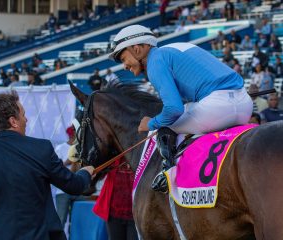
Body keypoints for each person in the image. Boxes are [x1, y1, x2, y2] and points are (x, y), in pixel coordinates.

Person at [108, 25, 253, 192]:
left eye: (123, 58)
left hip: (217, 108)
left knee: (164, 126)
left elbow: (173, 109)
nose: (124, 66)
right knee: (187, 110)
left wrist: (151, 123)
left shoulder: (154, 61)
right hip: (244, 103)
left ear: (137, 49)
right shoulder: (173, 49)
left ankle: (167, 176)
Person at [0, 91, 95, 240]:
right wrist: (85, 173)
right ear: (13, 121)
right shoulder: (41, 149)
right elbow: (73, 185)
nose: (26, 120)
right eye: (23, 115)